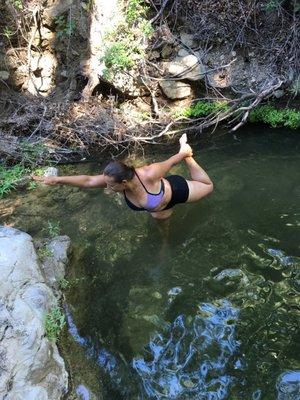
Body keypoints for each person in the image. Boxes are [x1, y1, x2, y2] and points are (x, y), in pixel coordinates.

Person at [32, 134, 213, 220]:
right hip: (158, 210)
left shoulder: (150, 173)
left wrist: (184, 153)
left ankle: (189, 154)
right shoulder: (115, 180)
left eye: (111, 186)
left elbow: (172, 161)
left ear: (124, 182)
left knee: (208, 186)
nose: (107, 187)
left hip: (177, 191)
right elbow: (88, 180)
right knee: (162, 226)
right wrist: (57, 180)